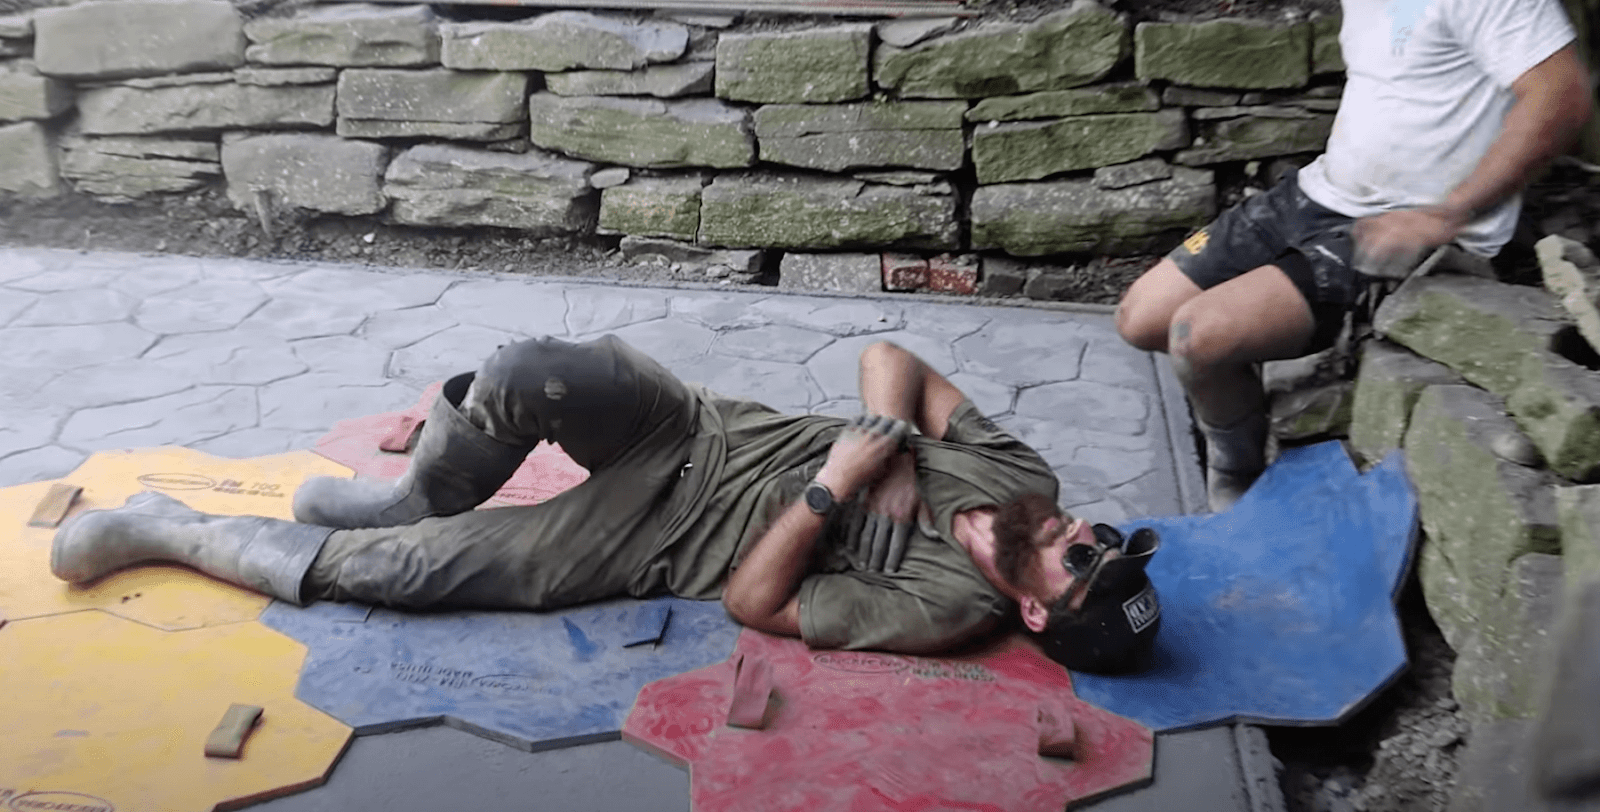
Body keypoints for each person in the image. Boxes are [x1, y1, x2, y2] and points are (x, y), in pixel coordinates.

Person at [50, 336, 1161, 673]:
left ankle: (168, 528)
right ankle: (404, 497)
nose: (1084, 535)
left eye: (1085, 565)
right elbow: (891, 357)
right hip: (698, 428)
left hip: (657, 536)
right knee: (528, 371)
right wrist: (894, 441)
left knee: (404, 577)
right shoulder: (1024, 483)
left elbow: (757, 602)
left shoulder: (946, 607)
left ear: (1034, 612)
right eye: (1107, 541)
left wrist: (837, 484)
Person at [1115, 0, 1593, 510]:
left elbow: (1561, 95)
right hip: (1315, 192)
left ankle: (1239, 467)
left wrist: (1450, 213)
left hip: (1403, 227)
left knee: (1194, 335)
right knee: (1139, 319)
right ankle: (1241, 365)